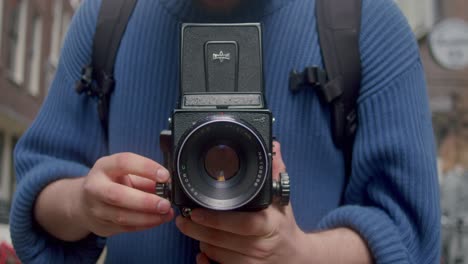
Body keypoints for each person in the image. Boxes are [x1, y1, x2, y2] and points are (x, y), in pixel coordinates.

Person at [10, 0, 441, 263]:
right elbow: (39, 190)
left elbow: (410, 235)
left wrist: (301, 255)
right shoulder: (106, 18)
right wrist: (85, 203)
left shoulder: (364, 23)